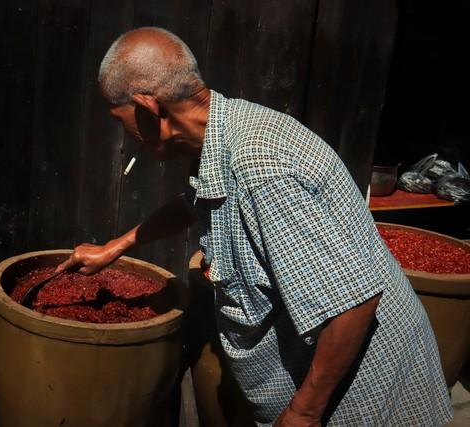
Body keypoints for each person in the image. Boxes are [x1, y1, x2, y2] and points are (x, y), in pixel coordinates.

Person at [56, 27, 453, 426]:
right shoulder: (224, 131)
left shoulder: (261, 167)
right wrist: (117, 246)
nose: (124, 134)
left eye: (118, 118)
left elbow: (354, 301)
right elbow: (194, 204)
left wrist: (304, 412)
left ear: (147, 108)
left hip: (364, 398)